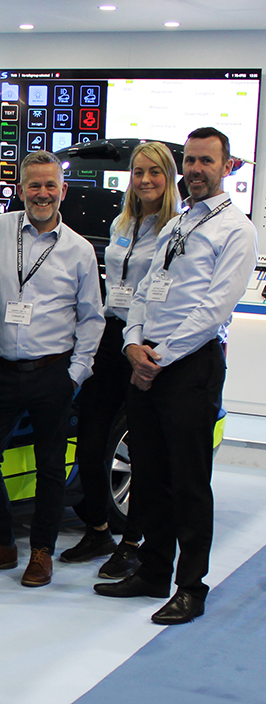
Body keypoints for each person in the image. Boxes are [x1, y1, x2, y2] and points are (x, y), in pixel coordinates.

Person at [94, 127, 257, 624]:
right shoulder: (177, 224)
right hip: (148, 363)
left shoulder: (236, 230)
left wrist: (157, 356)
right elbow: (143, 293)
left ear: (226, 167)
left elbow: (213, 310)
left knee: (189, 482)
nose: (195, 170)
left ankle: (192, 586)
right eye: (188, 161)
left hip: (191, 368)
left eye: (206, 161)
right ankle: (152, 571)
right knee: (150, 476)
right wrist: (132, 343)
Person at [0, 149, 104, 587]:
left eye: (50, 185)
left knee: (50, 469)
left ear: (63, 190)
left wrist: (74, 375)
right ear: (20, 189)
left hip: (52, 372)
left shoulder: (78, 250)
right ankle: (2, 544)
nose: (42, 194)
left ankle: (41, 552)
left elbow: (92, 317)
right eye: (34, 185)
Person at [60, 142, 181, 577]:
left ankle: (132, 542)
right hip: (113, 336)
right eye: (138, 172)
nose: (145, 180)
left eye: (155, 172)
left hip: (149, 340)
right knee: (92, 442)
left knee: (142, 448)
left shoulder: (177, 228)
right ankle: (97, 528)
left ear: (169, 178)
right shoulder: (122, 222)